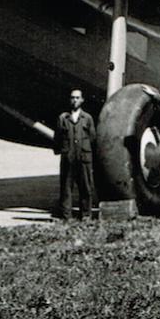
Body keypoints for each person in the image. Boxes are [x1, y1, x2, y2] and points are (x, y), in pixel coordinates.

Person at [53, 88, 98, 221]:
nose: (75, 100)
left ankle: (86, 215)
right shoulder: (63, 118)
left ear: (82, 100)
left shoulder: (87, 118)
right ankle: (66, 216)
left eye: (77, 98)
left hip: (84, 158)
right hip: (68, 158)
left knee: (86, 187)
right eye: (72, 97)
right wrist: (60, 151)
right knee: (66, 188)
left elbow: (93, 138)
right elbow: (58, 137)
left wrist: (90, 155)